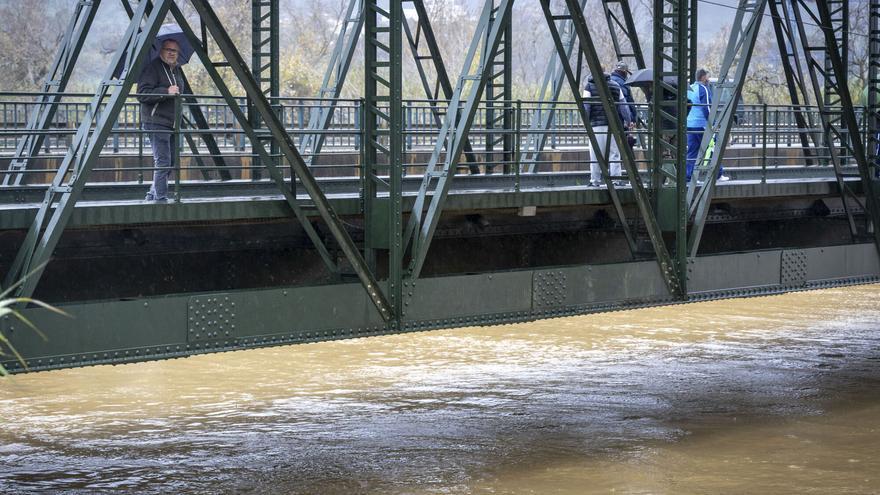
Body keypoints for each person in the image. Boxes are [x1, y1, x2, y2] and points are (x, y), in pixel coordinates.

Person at [138, 39, 185, 202]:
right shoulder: (153, 68)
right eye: (168, 49)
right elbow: (142, 94)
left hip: (172, 123)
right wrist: (166, 91)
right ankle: (160, 198)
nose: (171, 53)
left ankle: (152, 194)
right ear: (161, 51)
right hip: (156, 121)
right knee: (163, 160)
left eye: (175, 50)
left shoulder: (176, 70)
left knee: (171, 161)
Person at [584, 73, 633, 187]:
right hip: (614, 125)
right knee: (614, 153)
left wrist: (586, 122)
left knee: (596, 153)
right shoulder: (615, 85)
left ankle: (595, 180)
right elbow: (623, 106)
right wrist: (628, 120)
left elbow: (586, 106)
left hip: (596, 125)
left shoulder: (589, 86)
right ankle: (616, 180)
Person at [686, 68, 729, 182]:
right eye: (708, 76)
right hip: (702, 125)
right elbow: (707, 108)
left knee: (692, 151)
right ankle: (717, 174)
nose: (709, 79)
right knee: (712, 148)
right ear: (703, 77)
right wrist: (713, 124)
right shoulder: (703, 89)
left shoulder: (690, 88)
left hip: (690, 124)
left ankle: (688, 177)